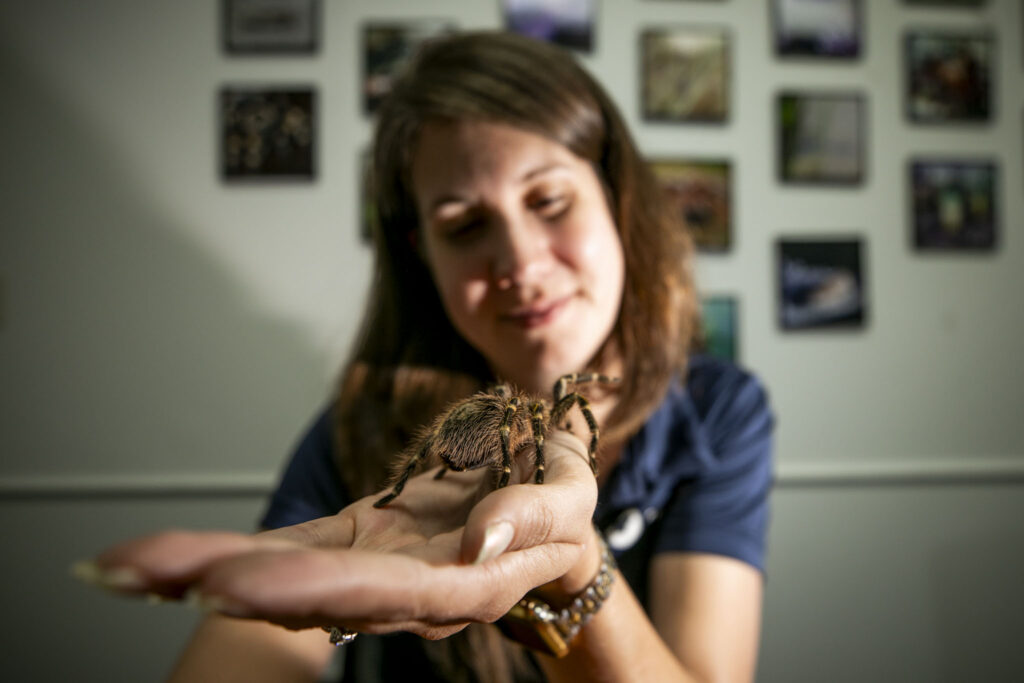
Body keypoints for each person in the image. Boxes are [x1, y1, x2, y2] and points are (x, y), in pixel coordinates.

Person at [82, 30, 774, 682]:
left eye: (550, 199)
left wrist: (574, 560)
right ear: (423, 254)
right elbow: (253, 641)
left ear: (617, 199)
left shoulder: (717, 411)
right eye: (466, 225)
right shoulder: (362, 422)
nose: (521, 264)